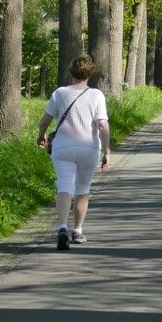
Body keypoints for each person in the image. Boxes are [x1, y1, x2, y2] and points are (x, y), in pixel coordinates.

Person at [37, 56, 111, 250]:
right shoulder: (96, 95)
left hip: (63, 148)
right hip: (89, 147)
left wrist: (41, 135)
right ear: (90, 73)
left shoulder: (60, 93)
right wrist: (107, 150)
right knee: (82, 189)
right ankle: (77, 231)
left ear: (71, 72)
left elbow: (45, 120)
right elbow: (102, 124)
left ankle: (62, 228)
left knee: (64, 187)